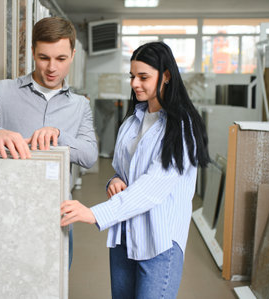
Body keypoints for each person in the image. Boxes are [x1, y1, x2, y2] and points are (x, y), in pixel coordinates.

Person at [60, 41, 210, 298]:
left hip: (159, 243)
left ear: (165, 76)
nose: (135, 84)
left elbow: (151, 188)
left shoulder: (180, 127)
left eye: (143, 77)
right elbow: (122, 171)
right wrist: (114, 181)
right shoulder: (131, 122)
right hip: (124, 238)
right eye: (132, 76)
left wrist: (93, 214)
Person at [0, 16, 98, 267]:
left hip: (56, 215)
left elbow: (90, 154)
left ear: (72, 55)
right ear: (32, 52)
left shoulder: (80, 106)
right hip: (2, 211)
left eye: (61, 59)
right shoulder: (3, 91)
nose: (52, 67)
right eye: (44, 58)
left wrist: (59, 135)